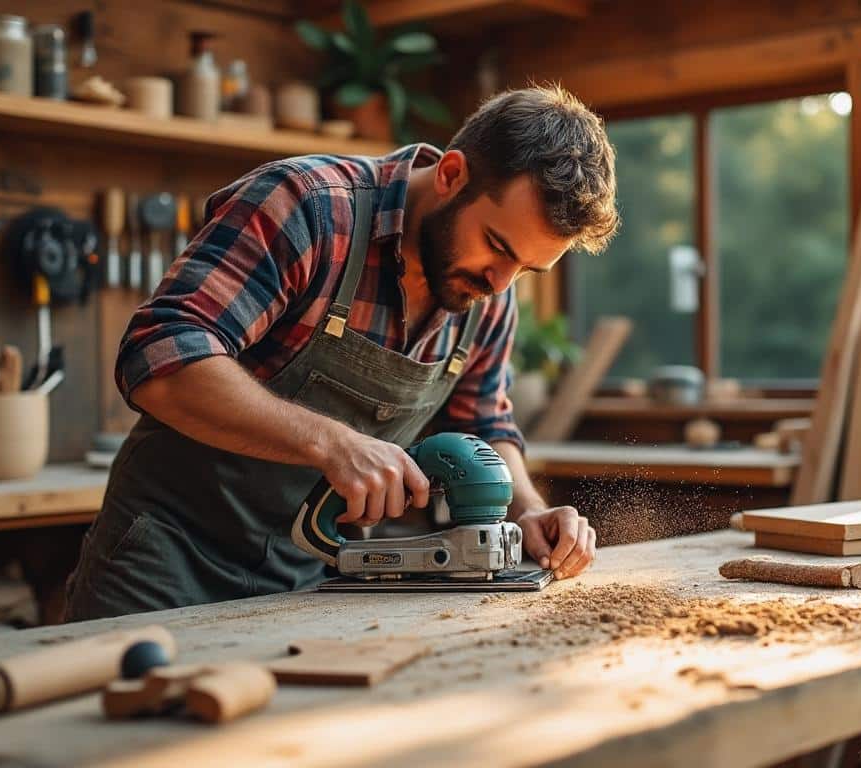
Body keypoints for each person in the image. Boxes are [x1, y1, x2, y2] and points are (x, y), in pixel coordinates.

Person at [65, 85, 620, 620]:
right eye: (497, 246)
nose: (500, 283)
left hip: (314, 576)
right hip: (167, 558)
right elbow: (160, 355)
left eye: (527, 269)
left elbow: (483, 422)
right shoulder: (307, 207)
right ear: (451, 175)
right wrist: (332, 443)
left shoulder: (489, 294)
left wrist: (528, 511)